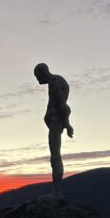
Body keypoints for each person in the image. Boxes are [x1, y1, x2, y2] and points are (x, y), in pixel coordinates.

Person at [34, 63, 74, 198]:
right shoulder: (54, 82)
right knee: (55, 156)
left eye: (37, 77)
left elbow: (64, 107)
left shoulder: (55, 82)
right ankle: (56, 191)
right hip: (54, 122)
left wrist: (67, 124)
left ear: (42, 73)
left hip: (56, 123)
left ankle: (56, 192)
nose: (38, 81)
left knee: (55, 156)